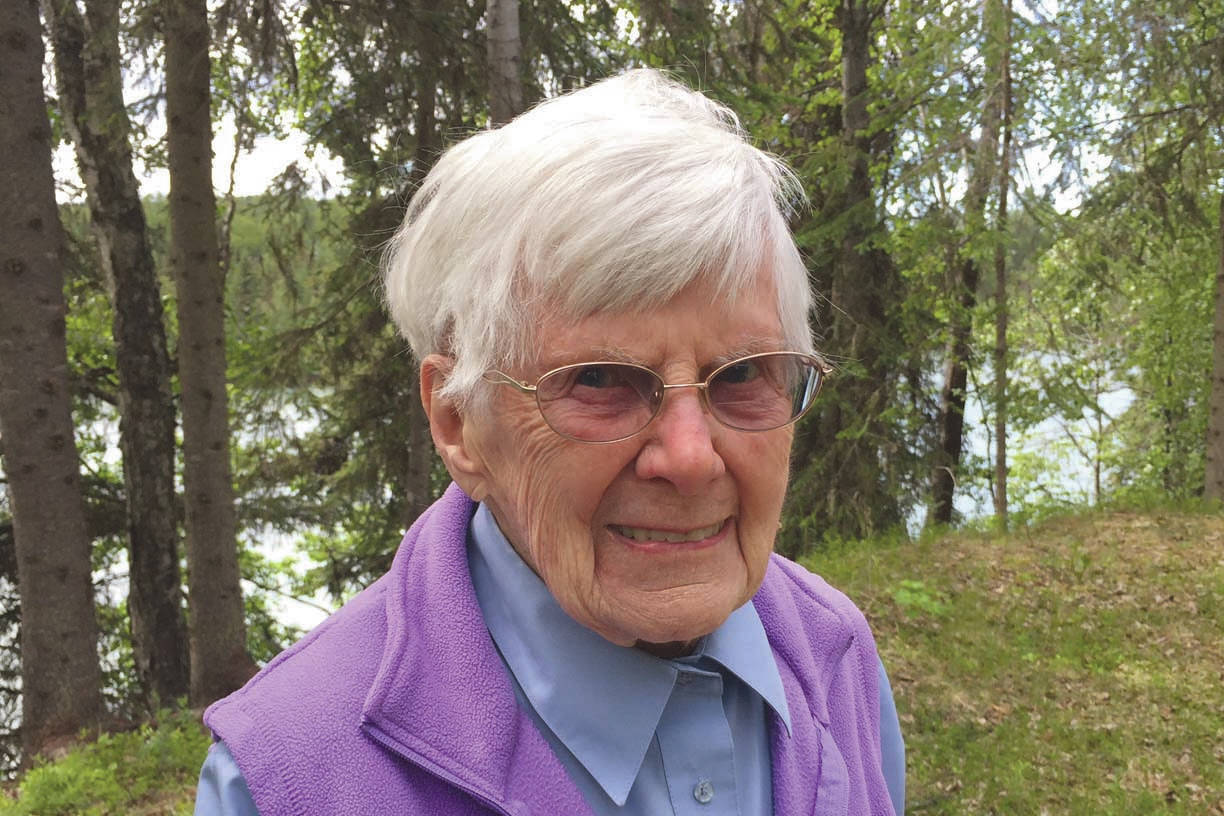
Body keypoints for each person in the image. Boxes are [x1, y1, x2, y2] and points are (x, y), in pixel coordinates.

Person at [194, 68, 905, 816]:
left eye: (744, 375)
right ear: (458, 424)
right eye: (600, 380)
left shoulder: (834, 656)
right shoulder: (288, 780)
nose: (692, 458)